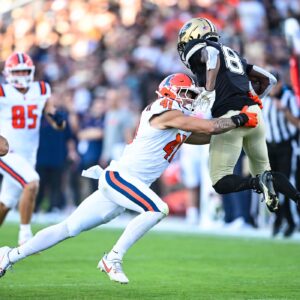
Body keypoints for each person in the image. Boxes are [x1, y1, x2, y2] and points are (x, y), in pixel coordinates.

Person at [0, 73, 258, 283]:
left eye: (193, 95)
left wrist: (233, 129)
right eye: (187, 93)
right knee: (158, 209)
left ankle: (9, 256)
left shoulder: (177, 120)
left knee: (68, 228)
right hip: (121, 178)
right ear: (169, 92)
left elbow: (205, 135)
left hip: (124, 184)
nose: (190, 99)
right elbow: (209, 126)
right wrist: (240, 118)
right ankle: (112, 258)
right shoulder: (165, 110)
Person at [177, 17, 300, 212]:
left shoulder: (204, 47)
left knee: (220, 180)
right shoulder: (232, 53)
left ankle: (256, 184)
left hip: (232, 117)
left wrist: (209, 89)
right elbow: (269, 79)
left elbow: (210, 52)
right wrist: (256, 98)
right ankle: (296, 197)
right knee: (266, 172)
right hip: (255, 115)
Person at [0, 52, 66, 245]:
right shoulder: (3, 92)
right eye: (17, 72)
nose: (21, 75)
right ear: (8, 73)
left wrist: (59, 120)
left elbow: (53, 119)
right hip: (7, 153)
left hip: (29, 154)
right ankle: (25, 237)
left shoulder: (42, 89)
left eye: (24, 71)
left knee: (6, 204)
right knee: (32, 181)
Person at [263, 72, 299, 237]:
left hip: (286, 146)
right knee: (271, 186)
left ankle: (292, 221)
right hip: (269, 147)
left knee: (287, 184)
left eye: (276, 85)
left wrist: (284, 111)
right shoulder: (263, 98)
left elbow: (298, 124)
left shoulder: (288, 97)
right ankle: (278, 220)